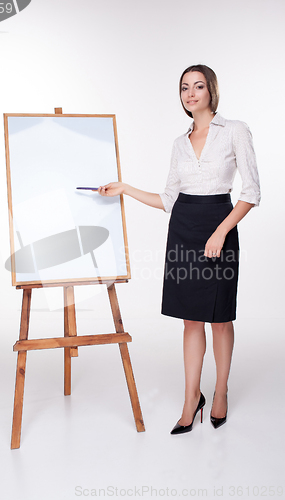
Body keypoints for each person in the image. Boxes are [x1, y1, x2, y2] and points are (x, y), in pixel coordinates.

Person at [98, 64, 260, 434]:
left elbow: (251, 192)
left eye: (198, 86)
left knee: (219, 317)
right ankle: (191, 398)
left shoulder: (235, 131)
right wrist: (126, 188)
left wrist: (220, 232)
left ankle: (220, 392)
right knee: (190, 319)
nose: (191, 93)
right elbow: (169, 199)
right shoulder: (178, 143)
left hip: (219, 224)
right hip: (183, 228)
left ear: (211, 90)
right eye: (185, 87)